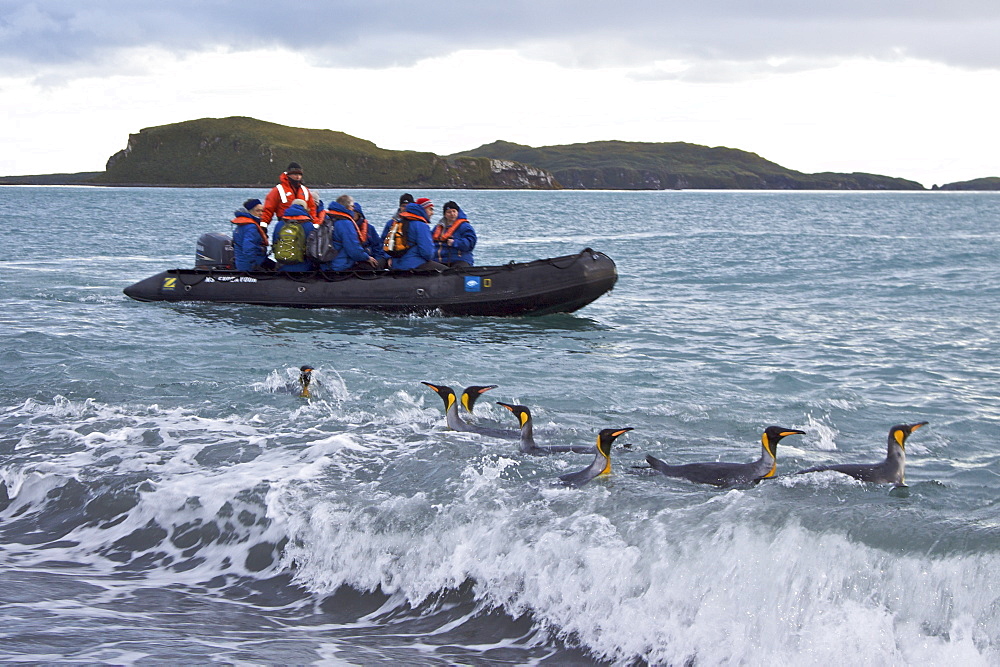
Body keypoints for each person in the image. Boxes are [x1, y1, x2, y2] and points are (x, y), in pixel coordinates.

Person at [317, 195, 379, 271]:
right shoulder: (345, 223)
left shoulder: (328, 218)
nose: (353, 209)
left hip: (325, 263)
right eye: (352, 206)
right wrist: (366, 257)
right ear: (348, 207)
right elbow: (353, 248)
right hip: (340, 265)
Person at [388, 199, 447, 271]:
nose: (432, 213)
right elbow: (427, 252)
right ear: (423, 210)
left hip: (396, 264)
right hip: (414, 263)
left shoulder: (400, 222)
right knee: (446, 271)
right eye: (430, 209)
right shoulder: (421, 225)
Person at [261, 162, 318, 226]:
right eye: (295, 174)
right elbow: (268, 209)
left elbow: (312, 209)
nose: (298, 177)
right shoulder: (278, 190)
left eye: (300, 175)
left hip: (303, 224)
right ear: (288, 175)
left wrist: (315, 224)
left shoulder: (305, 190)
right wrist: (264, 225)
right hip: (284, 224)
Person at [270, 199, 315, 272]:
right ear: (305, 209)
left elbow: (275, 242)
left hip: (282, 265)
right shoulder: (309, 225)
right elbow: (312, 248)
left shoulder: (280, 224)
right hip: (304, 267)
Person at [231, 198, 275, 271]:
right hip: (250, 264)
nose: (261, 213)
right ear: (249, 211)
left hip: (242, 263)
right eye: (257, 211)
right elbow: (248, 248)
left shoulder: (242, 225)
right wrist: (254, 264)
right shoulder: (251, 227)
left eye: (262, 211)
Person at [432, 201, 477, 267]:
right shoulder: (438, 228)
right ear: (444, 214)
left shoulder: (465, 226)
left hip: (459, 259)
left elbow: (470, 244)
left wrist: (455, 242)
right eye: (449, 212)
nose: (452, 214)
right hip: (439, 260)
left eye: (454, 211)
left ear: (458, 212)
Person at [352, 201, 389, 269]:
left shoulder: (370, 228)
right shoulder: (348, 228)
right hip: (358, 259)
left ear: (359, 214)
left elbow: (378, 246)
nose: (352, 215)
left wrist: (376, 259)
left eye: (354, 213)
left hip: (371, 256)